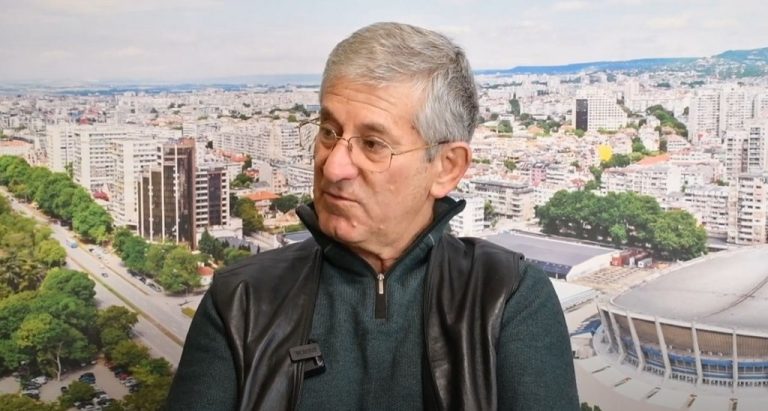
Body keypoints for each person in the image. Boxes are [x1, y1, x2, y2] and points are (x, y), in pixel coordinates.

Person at [166, 22, 579, 410]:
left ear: (446, 167)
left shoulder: (508, 298)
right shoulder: (240, 301)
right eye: (329, 132)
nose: (333, 167)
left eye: (373, 144)